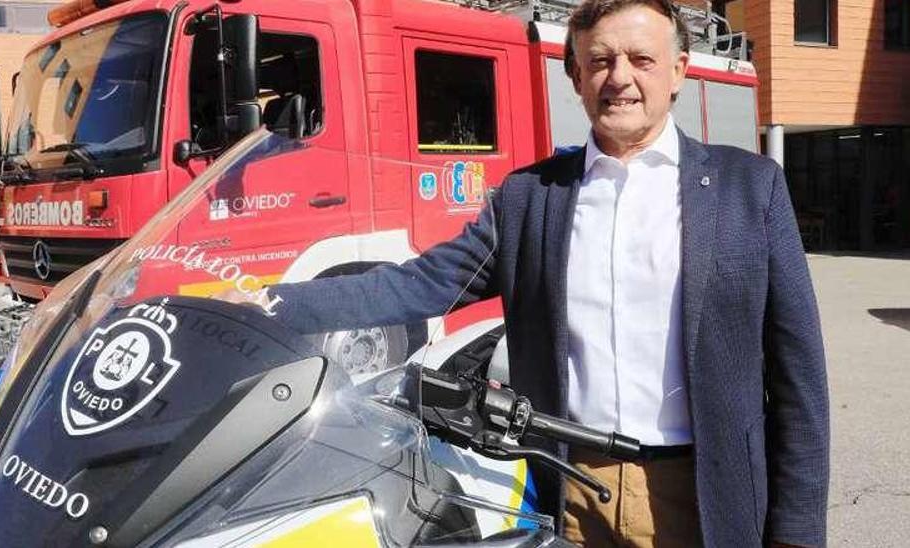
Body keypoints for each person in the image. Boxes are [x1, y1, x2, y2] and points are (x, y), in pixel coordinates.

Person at [263, 0, 829, 546]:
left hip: (703, 490)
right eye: (601, 60)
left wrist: (797, 531)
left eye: (642, 59)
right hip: (569, 487)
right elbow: (420, 283)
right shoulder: (531, 196)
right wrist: (268, 305)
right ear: (576, 76)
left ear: (678, 72)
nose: (619, 77)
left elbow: (797, 371)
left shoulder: (749, 188)